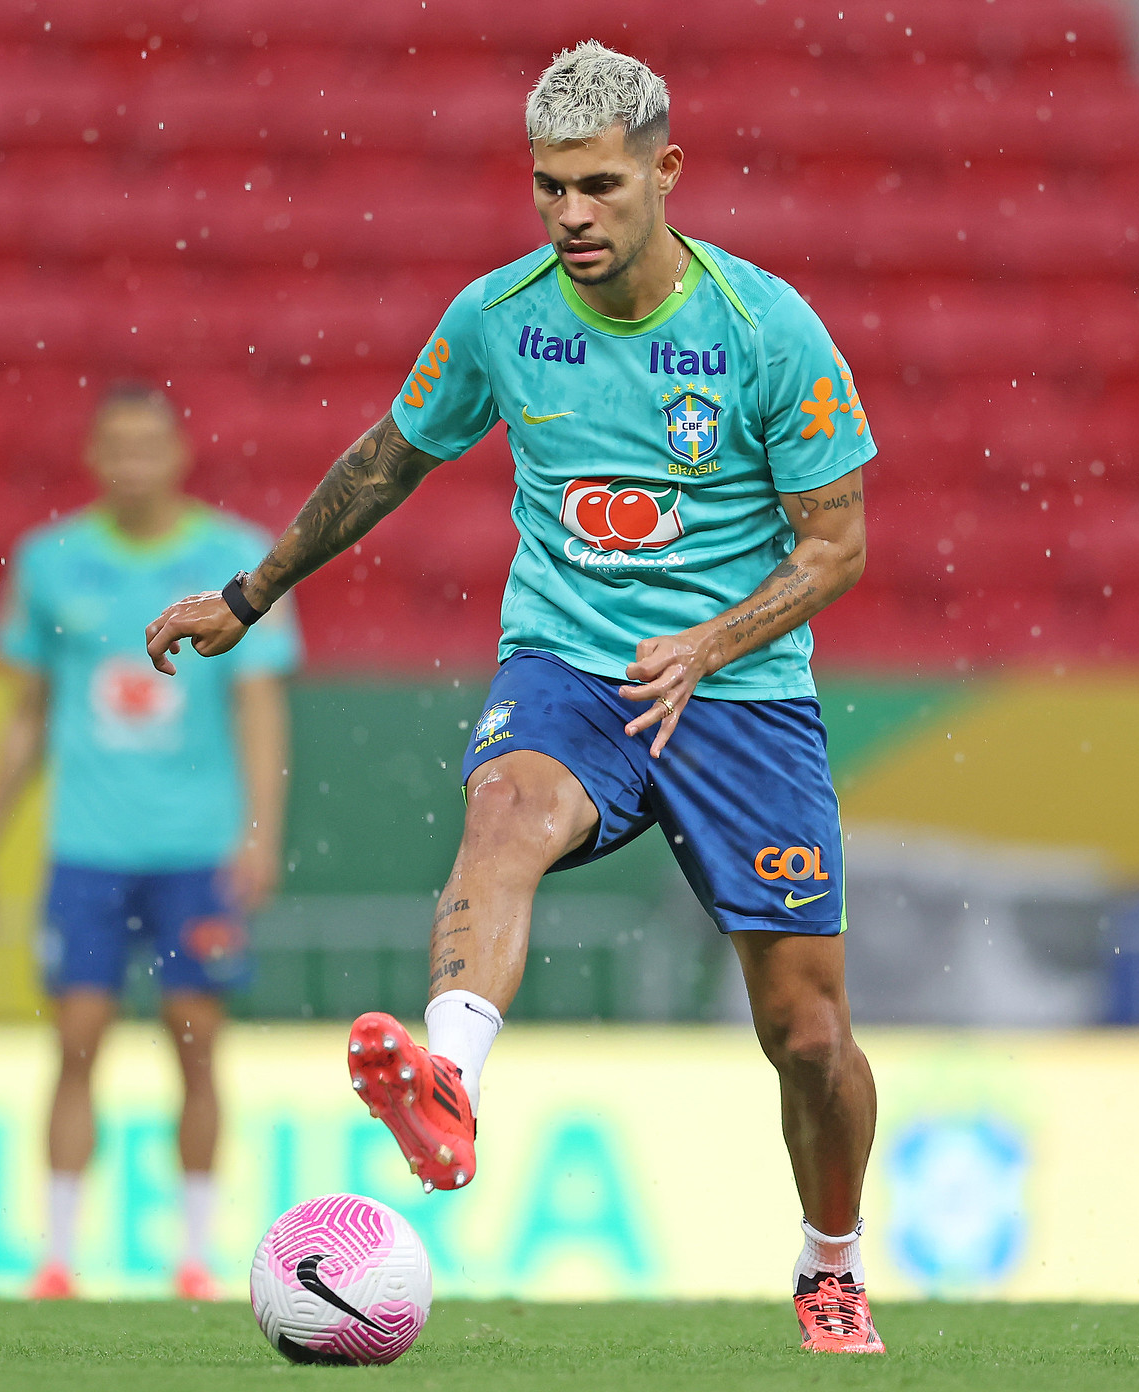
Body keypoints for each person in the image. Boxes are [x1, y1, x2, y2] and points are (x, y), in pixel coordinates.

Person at [144, 44, 881, 1351]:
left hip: (742, 698)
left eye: (599, 187)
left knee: (807, 1033)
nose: (572, 217)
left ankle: (831, 1259)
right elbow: (387, 460)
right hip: (571, 664)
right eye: (549, 189)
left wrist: (711, 642)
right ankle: (450, 1082)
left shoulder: (768, 331)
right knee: (504, 813)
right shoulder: (500, 318)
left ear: (668, 171)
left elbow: (836, 545)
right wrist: (247, 597)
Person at [0, 382, 299, 1301]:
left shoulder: (233, 558)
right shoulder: (51, 562)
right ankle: (60, 1255)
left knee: (196, 1038)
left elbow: (260, 707)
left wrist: (258, 834)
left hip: (195, 848)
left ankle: (194, 1255)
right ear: (93, 455)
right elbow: (26, 715)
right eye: (117, 442)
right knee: (77, 1038)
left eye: (150, 441)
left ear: (180, 453)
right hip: (89, 847)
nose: (134, 458)